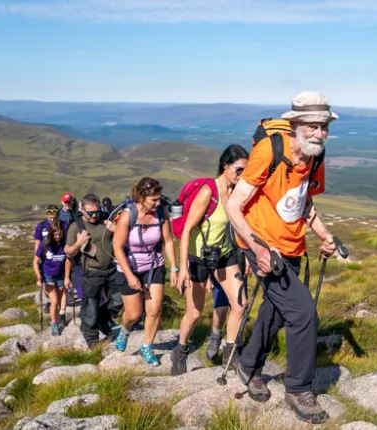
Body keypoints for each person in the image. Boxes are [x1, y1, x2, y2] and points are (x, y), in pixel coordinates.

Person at [225, 91, 338, 424]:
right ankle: (299, 388)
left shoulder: (315, 156)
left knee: (275, 312)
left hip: (292, 245)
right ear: (296, 124)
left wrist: (325, 236)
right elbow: (234, 206)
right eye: (313, 126)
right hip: (261, 244)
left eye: (325, 127)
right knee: (303, 313)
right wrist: (257, 248)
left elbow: (303, 203)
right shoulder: (269, 151)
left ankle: (247, 366)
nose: (320, 133)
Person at [171, 144, 249, 375]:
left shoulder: (237, 193)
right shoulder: (208, 192)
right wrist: (183, 267)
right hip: (198, 258)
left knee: (240, 304)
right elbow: (186, 231)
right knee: (194, 313)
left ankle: (231, 353)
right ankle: (181, 350)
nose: (242, 175)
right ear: (225, 166)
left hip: (224, 254)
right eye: (238, 169)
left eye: (246, 170)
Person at [112, 177, 177, 366]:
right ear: (141, 197)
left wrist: (173, 267)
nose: (158, 203)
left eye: (159, 199)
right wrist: (130, 275)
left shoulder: (161, 212)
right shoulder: (127, 215)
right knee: (134, 314)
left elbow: (169, 241)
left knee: (155, 310)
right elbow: (117, 247)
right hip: (129, 266)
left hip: (153, 265)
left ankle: (147, 346)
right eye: (153, 200)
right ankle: (124, 330)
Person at [65, 193, 121, 348]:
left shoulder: (106, 220)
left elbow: (124, 238)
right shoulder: (76, 226)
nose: (94, 215)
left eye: (97, 212)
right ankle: (92, 341)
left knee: (118, 300)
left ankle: (103, 319)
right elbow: (68, 251)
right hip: (91, 273)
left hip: (112, 270)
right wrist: (78, 244)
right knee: (90, 307)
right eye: (90, 213)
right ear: (82, 210)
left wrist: (117, 230)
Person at [33, 220, 72, 336]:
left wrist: (67, 277)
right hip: (48, 275)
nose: (57, 236)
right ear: (51, 233)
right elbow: (35, 262)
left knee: (60, 301)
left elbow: (68, 260)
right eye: (55, 234)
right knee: (54, 301)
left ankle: (60, 317)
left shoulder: (65, 243)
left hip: (60, 275)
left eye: (59, 234)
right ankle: (54, 324)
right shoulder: (45, 244)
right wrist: (39, 277)